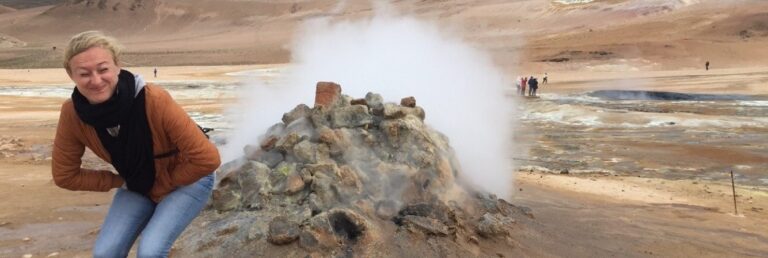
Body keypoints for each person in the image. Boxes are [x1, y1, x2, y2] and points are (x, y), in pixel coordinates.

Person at [52, 31, 221, 257]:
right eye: (84, 73)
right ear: (71, 75)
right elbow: (65, 175)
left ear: (117, 66)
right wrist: (118, 181)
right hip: (137, 182)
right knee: (105, 253)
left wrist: (163, 185)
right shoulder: (73, 114)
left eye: (103, 69)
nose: (96, 80)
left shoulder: (154, 100)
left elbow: (207, 159)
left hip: (188, 178)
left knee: (150, 251)